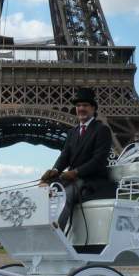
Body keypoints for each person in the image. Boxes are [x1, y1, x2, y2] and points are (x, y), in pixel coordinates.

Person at [39, 87, 113, 230]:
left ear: (93, 108)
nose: (81, 108)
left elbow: (98, 160)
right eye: (78, 105)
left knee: (65, 196)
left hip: (91, 180)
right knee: (43, 189)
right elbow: (64, 156)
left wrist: (76, 172)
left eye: (85, 105)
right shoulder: (72, 132)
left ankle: (56, 232)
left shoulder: (102, 130)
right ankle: (40, 229)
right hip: (72, 179)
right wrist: (55, 170)